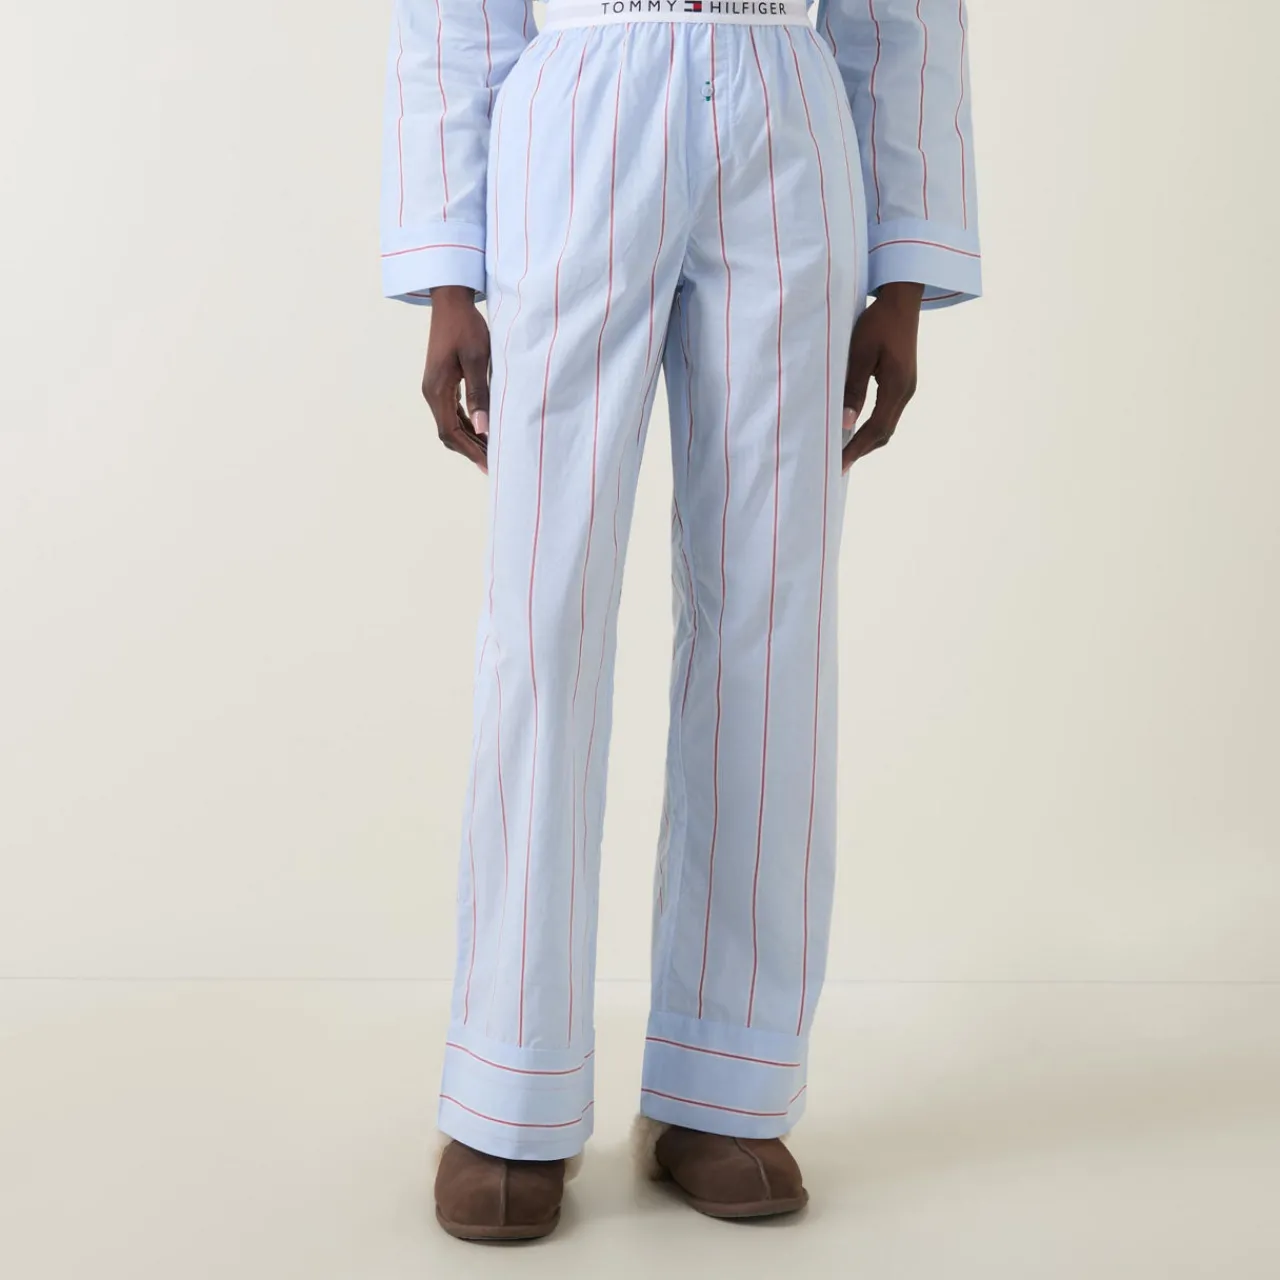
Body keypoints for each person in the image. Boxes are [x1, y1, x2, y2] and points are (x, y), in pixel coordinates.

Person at [381, 0, 980, 1242]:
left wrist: (904, 275)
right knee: (544, 610)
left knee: (771, 607)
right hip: (575, 109)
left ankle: (725, 1084)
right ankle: (506, 1089)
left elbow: (904, 14)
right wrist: (447, 272)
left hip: (787, 118)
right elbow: (450, 14)